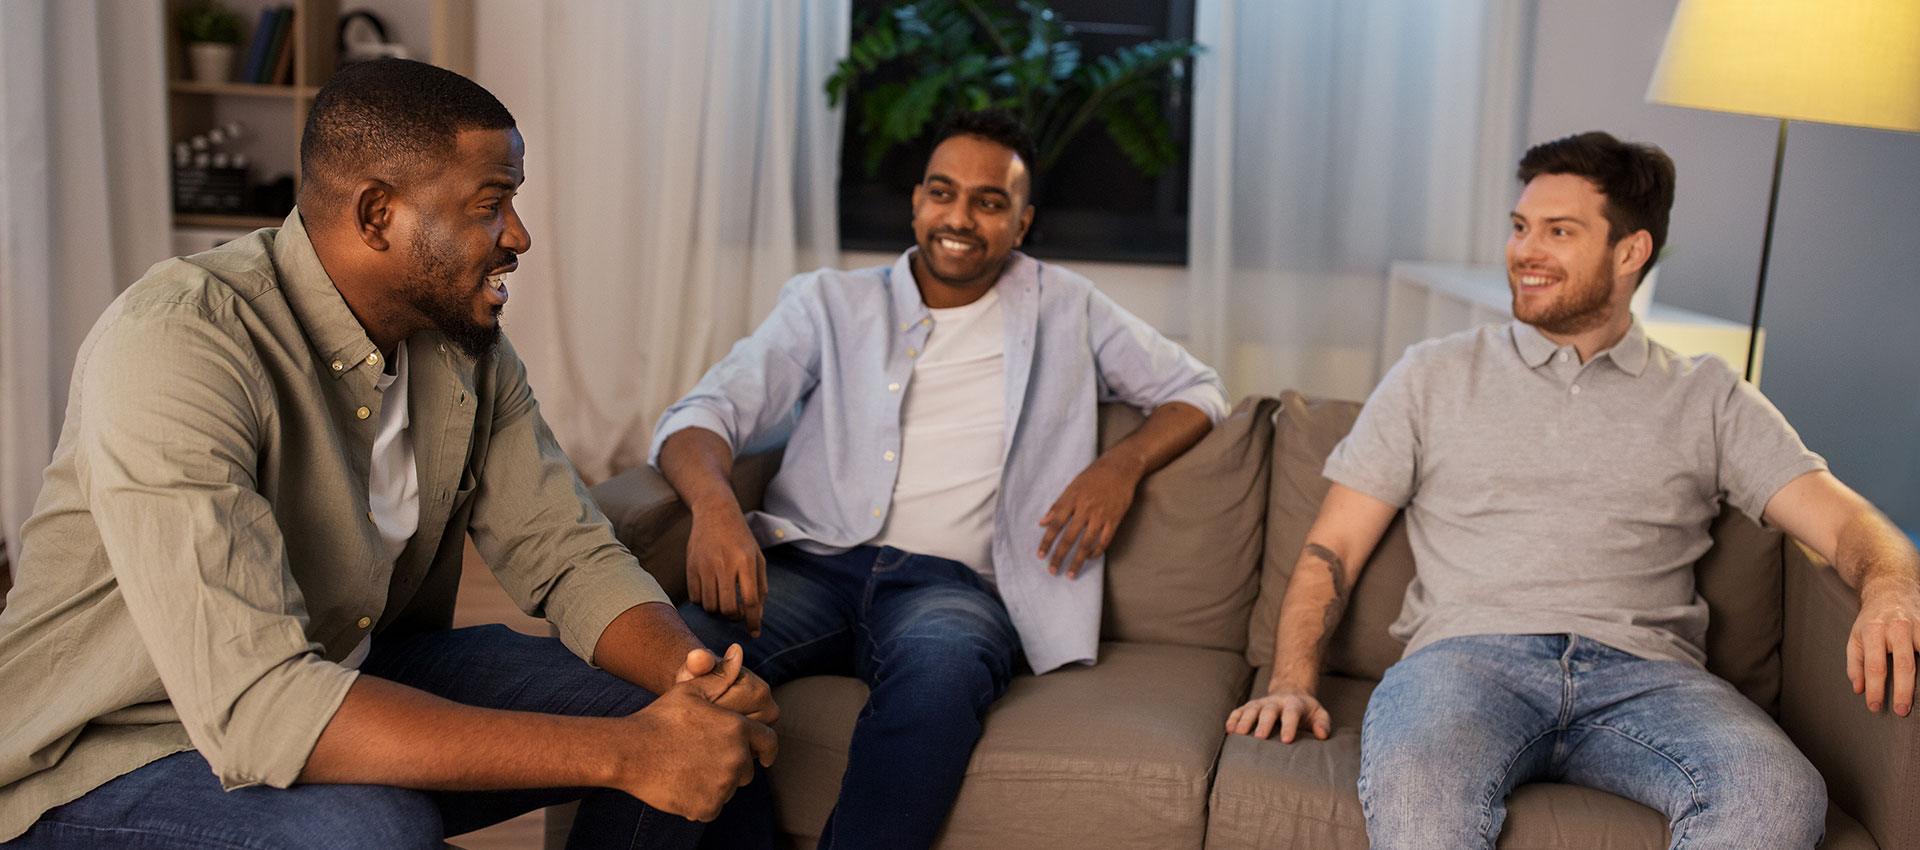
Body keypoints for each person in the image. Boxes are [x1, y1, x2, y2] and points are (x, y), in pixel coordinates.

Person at [0, 59, 776, 849]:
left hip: (342, 670)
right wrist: (630, 753)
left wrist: (696, 679)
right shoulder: (177, 341)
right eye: (491, 205)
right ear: (379, 215)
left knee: (698, 724)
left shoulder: (464, 349)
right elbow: (259, 705)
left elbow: (568, 554)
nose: (518, 235)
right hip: (110, 750)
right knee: (373, 830)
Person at [1226, 131, 1920, 848]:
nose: (1524, 251)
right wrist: (1290, 680)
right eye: (1520, 226)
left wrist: (1891, 588)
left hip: (1650, 679)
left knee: (1778, 794)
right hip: (1464, 664)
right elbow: (1333, 545)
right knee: (1418, 791)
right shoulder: (1432, 374)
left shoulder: (1710, 396)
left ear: (1630, 252)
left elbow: (1848, 523)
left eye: (1558, 232)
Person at [652, 109, 1229, 849]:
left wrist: (1120, 466)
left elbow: (1198, 390)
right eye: (942, 192)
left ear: (1021, 224)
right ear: (918, 201)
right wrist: (715, 509)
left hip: (951, 589)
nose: (959, 218)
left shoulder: (1068, 306)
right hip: (810, 564)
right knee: (685, 659)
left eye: (989, 202)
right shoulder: (829, 303)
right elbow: (703, 415)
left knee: (940, 679)